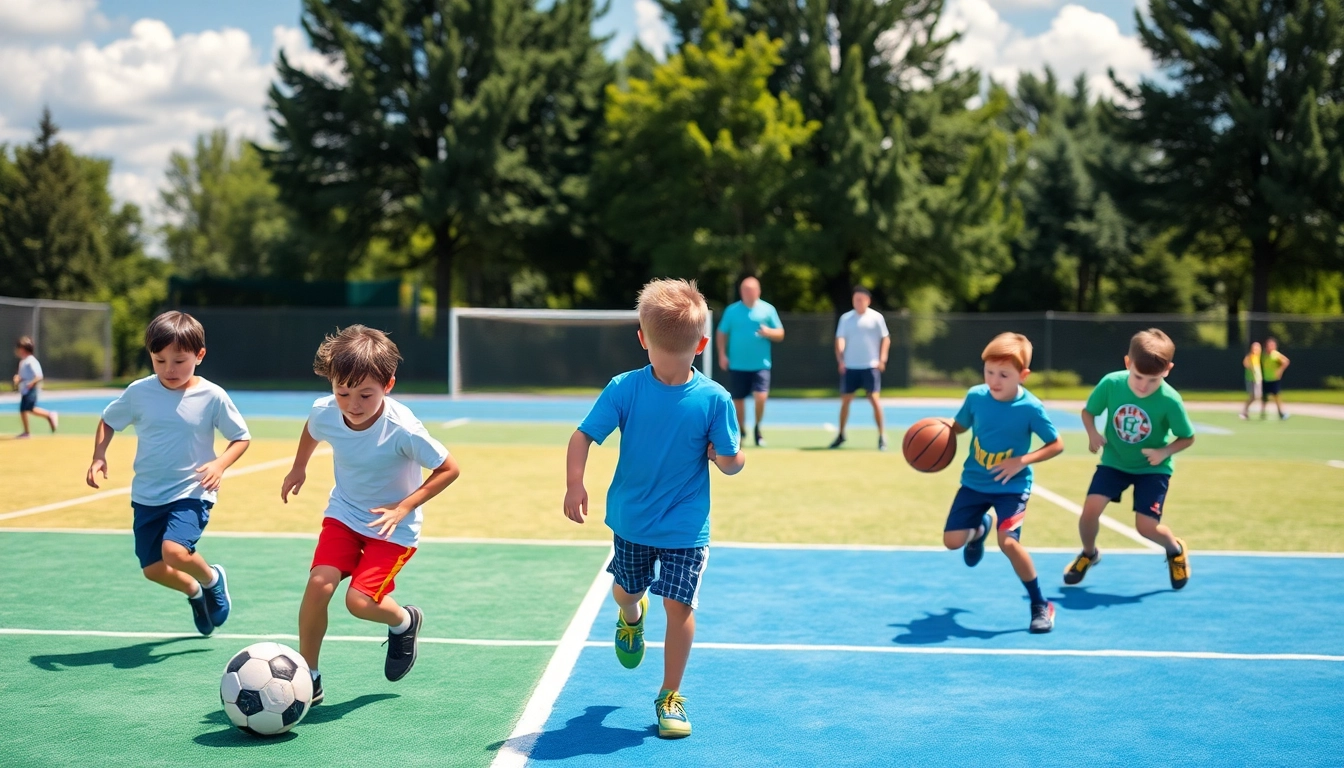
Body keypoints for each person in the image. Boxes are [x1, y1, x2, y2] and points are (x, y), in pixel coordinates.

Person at [564, 278, 745, 739]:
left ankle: (670, 695)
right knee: (627, 592)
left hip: (686, 526)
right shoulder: (625, 389)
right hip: (632, 522)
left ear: (642, 337)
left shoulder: (714, 399)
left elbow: (729, 460)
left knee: (678, 604)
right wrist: (574, 483)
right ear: (702, 343)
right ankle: (631, 616)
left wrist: (724, 456)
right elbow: (584, 436)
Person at [282, 325, 460, 705]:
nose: (352, 404)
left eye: (365, 394)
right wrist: (299, 467)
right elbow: (313, 428)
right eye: (342, 392)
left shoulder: (402, 429)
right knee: (319, 585)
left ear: (388, 385)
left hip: (393, 528)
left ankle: (404, 621)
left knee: (359, 602)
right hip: (345, 513)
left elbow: (449, 469)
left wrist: (404, 506)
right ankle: (308, 676)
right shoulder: (326, 411)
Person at [85, 311, 250, 635]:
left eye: (179, 361)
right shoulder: (139, 392)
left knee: (174, 551)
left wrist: (219, 464)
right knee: (153, 569)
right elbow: (108, 420)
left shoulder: (212, 396)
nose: (169, 369)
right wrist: (98, 456)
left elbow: (241, 438)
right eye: (159, 360)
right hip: (148, 495)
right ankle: (194, 592)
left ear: (199, 355)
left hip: (192, 491)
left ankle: (212, 579)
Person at [943, 333, 1065, 634]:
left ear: (1023, 375)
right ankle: (979, 529)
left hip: (1012, 486)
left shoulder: (1030, 408)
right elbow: (959, 427)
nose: (994, 381)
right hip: (974, 482)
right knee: (952, 542)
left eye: (1004, 375)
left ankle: (1040, 604)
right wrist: (939, 428)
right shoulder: (976, 397)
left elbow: (1056, 444)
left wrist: (1021, 460)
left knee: (1008, 542)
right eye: (989, 372)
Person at [1064, 328, 1195, 590]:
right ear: (1127, 363)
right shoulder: (1111, 384)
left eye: (1153, 380)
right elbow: (1089, 413)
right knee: (1089, 512)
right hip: (1114, 462)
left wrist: (1164, 452)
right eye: (1138, 376)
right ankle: (1089, 553)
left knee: (1145, 528)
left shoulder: (1170, 400)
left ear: (1168, 370)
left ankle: (1174, 549)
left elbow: (1187, 437)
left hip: (1153, 469)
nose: (1143, 386)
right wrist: (1093, 434)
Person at [716, 276, 785, 447]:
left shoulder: (768, 310)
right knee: (738, 400)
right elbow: (722, 332)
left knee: (761, 397)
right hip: (738, 365)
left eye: (752, 289)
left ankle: (757, 427)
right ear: (741, 291)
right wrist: (722, 354)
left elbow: (780, 333)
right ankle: (742, 431)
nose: (748, 292)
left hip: (761, 365)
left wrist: (769, 332)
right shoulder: (732, 311)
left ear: (758, 291)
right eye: (745, 289)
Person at [830, 287, 890, 450]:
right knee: (845, 401)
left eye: (861, 299)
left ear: (868, 300)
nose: (858, 302)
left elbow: (885, 339)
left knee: (874, 399)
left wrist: (882, 359)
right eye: (855, 299)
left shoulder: (876, 318)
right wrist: (841, 359)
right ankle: (841, 434)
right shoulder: (846, 319)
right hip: (851, 366)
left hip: (870, 366)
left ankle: (882, 436)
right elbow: (840, 339)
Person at [13, 336, 58, 437]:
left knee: (29, 408)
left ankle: (49, 415)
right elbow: (24, 376)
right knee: (23, 410)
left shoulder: (31, 361)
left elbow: (38, 376)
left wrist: (31, 383)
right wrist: (18, 379)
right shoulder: (23, 361)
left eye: (20, 348)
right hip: (25, 390)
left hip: (30, 390)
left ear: (23, 349)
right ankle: (26, 432)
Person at [1259, 337, 1291, 420]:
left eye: (1272, 345)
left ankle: (1281, 413)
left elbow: (1286, 361)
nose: (1270, 347)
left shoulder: (1275, 355)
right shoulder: (1263, 355)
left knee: (1276, 396)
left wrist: (1280, 370)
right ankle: (1263, 412)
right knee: (1264, 397)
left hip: (1274, 379)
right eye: (1269, 345)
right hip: (1265, 378)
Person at [1240, 341, 1262, 420]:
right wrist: (1250, 368)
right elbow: (1245, 363)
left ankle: (1246, 410)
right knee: (1253, 396)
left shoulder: (1258, 357)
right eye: (1254, 348)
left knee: (1257, 396)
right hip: (1251, 379)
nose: (1256, 349)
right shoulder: (1250, 356)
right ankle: (1245, 410)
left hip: (1257, 379)